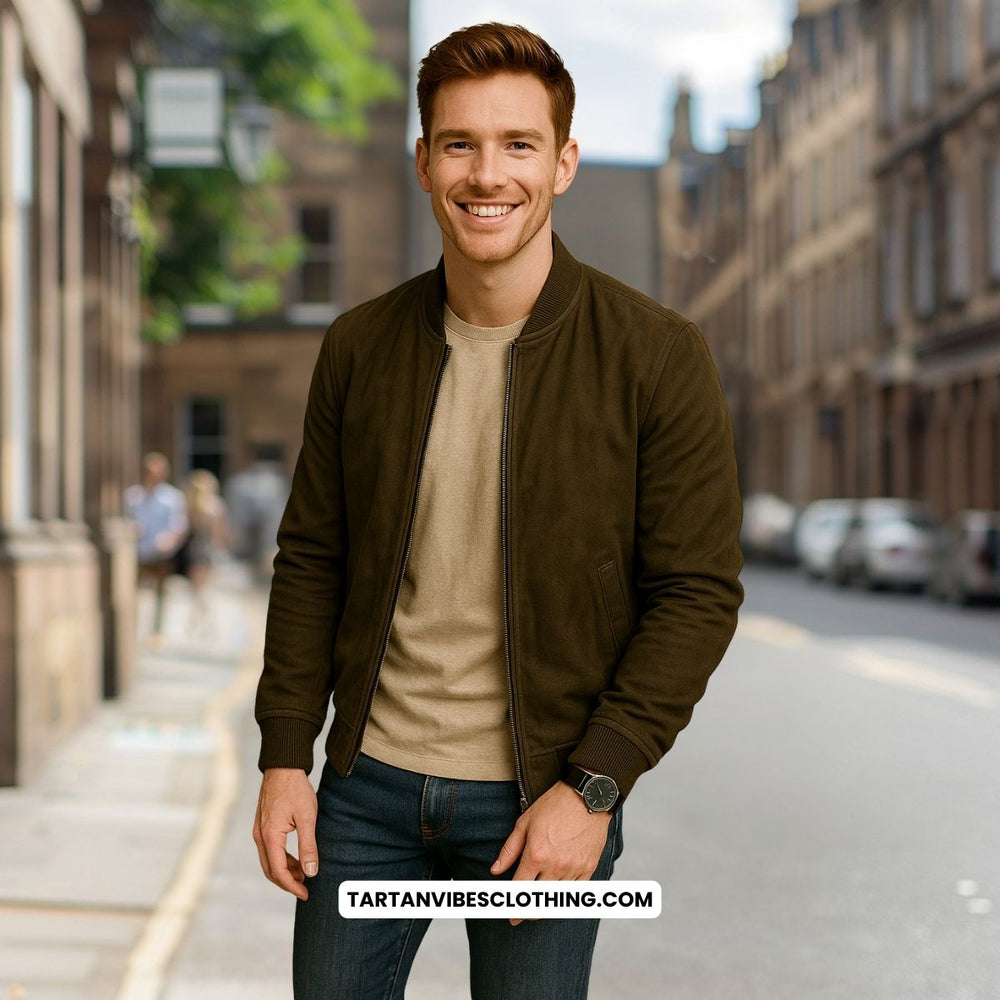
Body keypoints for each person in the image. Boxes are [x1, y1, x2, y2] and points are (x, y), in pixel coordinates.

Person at [253, 22, 743, 1000]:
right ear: (424, 161)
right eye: (460, 144)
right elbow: (313, 558)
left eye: (518, 144)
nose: (488, 174)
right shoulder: (360, 346)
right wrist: (282, 756)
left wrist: (595, 786)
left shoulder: (655, 355)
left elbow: (695, 593)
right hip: (366, 792)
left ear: (562, 164)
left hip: (545, 795)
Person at [124, 452, 189, 645]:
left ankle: (157, 632)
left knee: (160, 594)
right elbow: (125, 520)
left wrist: (170, 539)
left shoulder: (172, 497)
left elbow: (179, 524)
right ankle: (131, 630)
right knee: (132, 593)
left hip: (161, 553)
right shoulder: (132, 496)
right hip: (136, 552)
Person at [181, 468, 228, 630]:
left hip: (195, 548)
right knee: (206, 588)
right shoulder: (215, 506)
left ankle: (198, 619)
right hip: (208, 549)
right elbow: (219, 534)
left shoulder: (191, 506)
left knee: (196, 588)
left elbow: (185, 530)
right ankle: (206, 620)